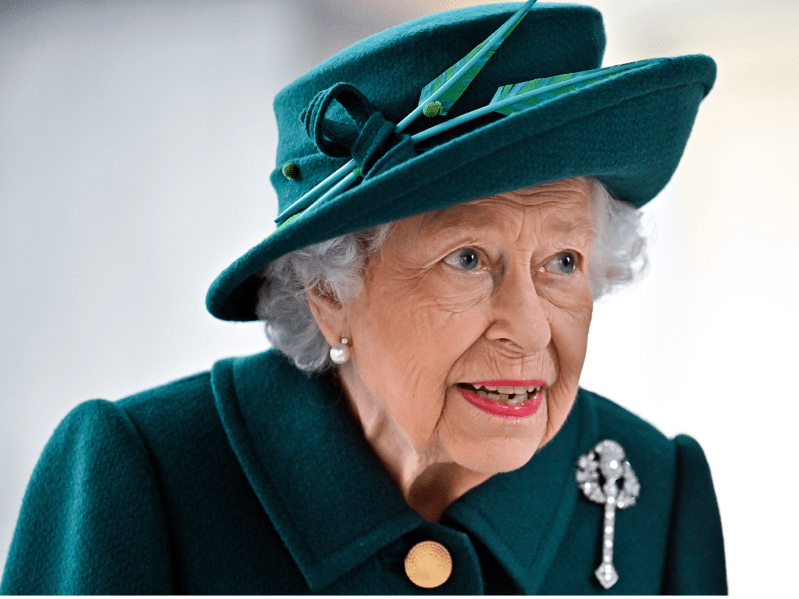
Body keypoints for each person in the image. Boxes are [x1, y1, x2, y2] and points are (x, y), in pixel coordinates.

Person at [1, 2, 726, 595]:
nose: (531, 331)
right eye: (467, 259)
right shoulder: (141, 478)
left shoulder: (651, 488)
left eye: (562, 260)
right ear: (327, 291)